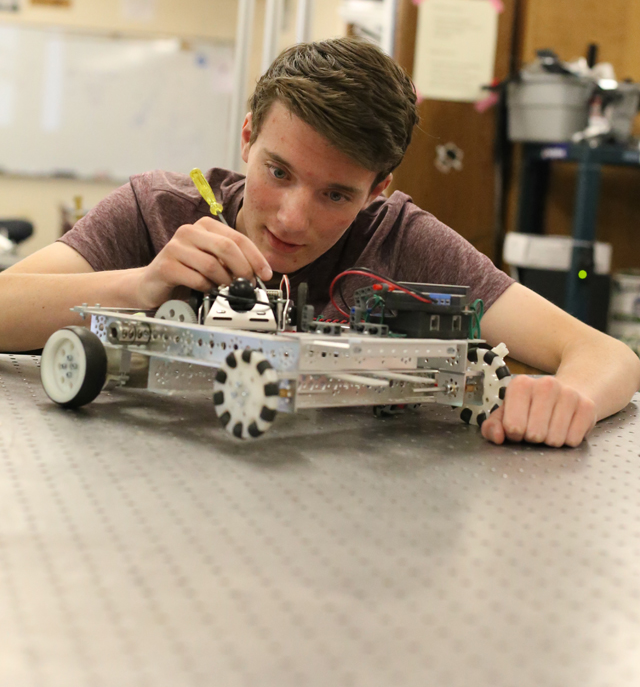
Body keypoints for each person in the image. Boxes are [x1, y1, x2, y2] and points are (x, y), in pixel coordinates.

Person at [1, 37, 638, 447]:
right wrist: (136, 286)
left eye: (337, 194)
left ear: (378, 188)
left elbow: (608, 355)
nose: (293, 220)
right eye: (278, 172)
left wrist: (567, 398)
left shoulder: (402, 239)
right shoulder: (158, 211)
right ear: (248, 136)